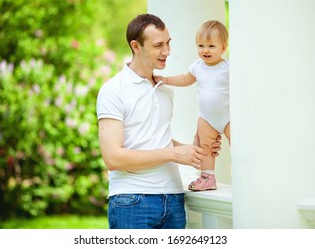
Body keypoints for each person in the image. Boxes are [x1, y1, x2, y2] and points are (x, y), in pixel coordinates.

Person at [96, 14, 222, 229]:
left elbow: (153, 138)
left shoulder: (163, 89)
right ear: (136, 46)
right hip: (133, 201)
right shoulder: (113, 90)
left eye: (168, 43)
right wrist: (173, 154)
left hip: (173, 200)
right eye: (158, 45)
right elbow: (113, 158)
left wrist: (195, 150)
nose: (167, 51)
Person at [154, 20, 230, 192]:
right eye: (200, 45)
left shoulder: (228, 68)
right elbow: (185, 79)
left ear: (223, 48)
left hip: (228, 117)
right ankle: (207, 177)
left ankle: (244, 172)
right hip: (207, 118)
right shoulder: (197, 67)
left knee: (239, 143)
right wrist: (166, 80)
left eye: (211, 46)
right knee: (205, 147)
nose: (205, 50)